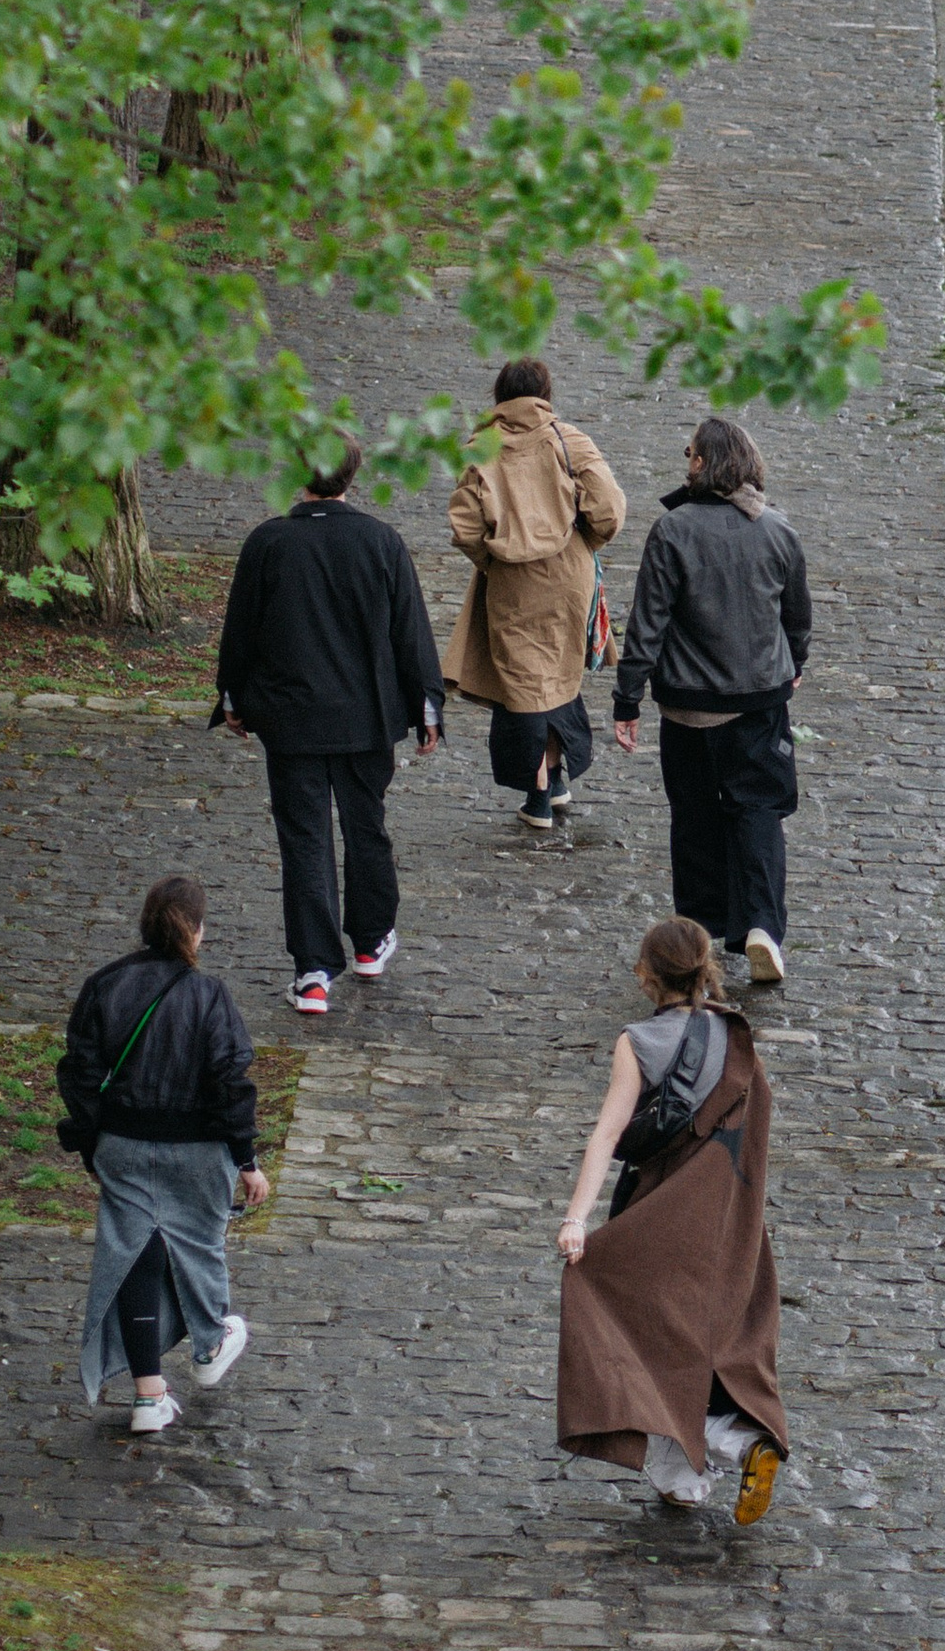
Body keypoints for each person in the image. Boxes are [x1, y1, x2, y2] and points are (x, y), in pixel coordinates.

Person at [555, 913, 787, 1520]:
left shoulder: (637, 1042)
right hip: (726, 1220)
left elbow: (607, 1136)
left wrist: (577, 1220)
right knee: (703, 1339)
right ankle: (707, 1465)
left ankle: (723, 1449)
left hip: (659, 1213)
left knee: (634, 1330)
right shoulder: (736, 1037)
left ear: (646, 974)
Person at [214, 443, 444, 1015]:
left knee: (304, 839)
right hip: (366, 718)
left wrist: (233, 695)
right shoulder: (380, 541)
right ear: (352, 475)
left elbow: (241, 629)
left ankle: (313, 971)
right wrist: (427, 706)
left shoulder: (268, 542)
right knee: (367, 827)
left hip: (292, 720)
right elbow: (410, 631)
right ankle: (370, 941)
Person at [58, 873, 268, 1437]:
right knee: (199, 1247)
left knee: (134, 1259)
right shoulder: (210, 995)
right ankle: (210, 1343)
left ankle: (148, 1396)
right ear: (196, 931)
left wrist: (94, 1143)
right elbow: (230, 1082)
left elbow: (79, 1073)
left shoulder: (105, 984)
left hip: (124, 1143)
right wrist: (247, 1160)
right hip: (197, 1150)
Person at [611, 417, 810, 988]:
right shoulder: (778, 530)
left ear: (702, 464)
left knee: (693, 819)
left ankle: (698, 937)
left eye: (690, 453)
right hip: (758, 703)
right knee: (759, 811)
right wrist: (793, 664)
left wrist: (628, 698)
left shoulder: (672, 531)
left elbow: (647, 624)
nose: (686, 461)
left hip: (687, 707)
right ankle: (762, 926)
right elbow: (797, 617)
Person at [444, 356, 626, 833]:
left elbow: (465, 528)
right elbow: (609, 510)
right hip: (570, 575)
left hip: (512, 582)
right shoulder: (570, 440)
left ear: (499, 396)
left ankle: (539, 793)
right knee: (559, 674)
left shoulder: (480, 450)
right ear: (546, 394)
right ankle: (557, 776)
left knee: (524, 683)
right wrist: (585, 543)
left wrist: (493, 561)